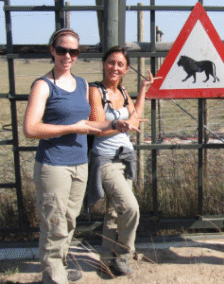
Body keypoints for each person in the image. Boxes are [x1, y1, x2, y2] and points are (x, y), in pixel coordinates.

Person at [23, 29, 133, 284]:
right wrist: (73, 128)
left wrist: (117, 126)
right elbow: (30, 129)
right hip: (53, 165)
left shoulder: (82, 84)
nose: (68, 55)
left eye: (73, 51)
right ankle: (53, 277)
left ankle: (58, 266)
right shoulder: (43, 85)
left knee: (69, 221)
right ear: (52, 50)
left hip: (79, 164)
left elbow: (91, 123)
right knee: (54, 225)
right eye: (62, 50)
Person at [86, 46, 160, 275]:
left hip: (126, 158)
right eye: (111, 62)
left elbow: (135, 117)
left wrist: (143, 89)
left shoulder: (124, 93)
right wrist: (119, 125)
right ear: (103, 64)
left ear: (126, 69)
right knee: (131, 208)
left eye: (120, 64)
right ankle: (125, 255)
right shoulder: (95, 91)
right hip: (106, 160)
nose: (114, 68)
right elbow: (98, 127)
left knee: (115, 212)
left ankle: (108, 259)